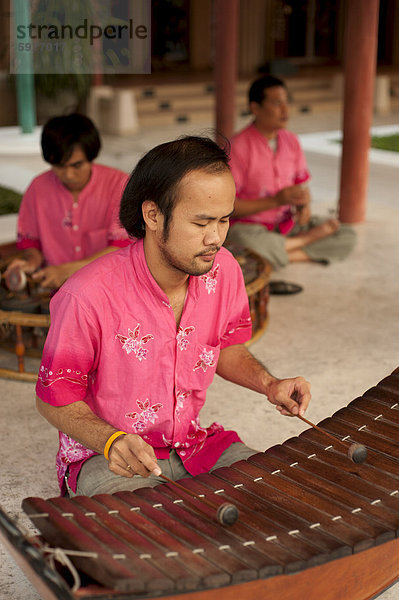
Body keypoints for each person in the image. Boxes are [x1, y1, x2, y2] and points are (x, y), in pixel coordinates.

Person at [35, 136, 311, 498]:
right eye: (201, 224)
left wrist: (269, 384)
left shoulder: (223, 270)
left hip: (194, 445)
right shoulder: (86, 295)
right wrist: (110, 440)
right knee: (147, 535)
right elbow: (52, 395)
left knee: (272, 496)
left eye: (224, 220)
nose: (215, 237)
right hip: (112, 455)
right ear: (153, 215)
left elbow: (224, 347)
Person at [226, 75, 356, 270]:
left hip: (288, 224)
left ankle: (279, 256)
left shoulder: (291, 141)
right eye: (277, 103)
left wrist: (305, 208)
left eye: (287, 102)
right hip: (250, 228)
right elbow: (228, 206)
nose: (286, 110)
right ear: (255, 108)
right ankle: (305, 242)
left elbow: (301, 187)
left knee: (346, 234)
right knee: (244, 243)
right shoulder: (237, 147)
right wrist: (275, 201)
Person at [5, 114, 130, 289]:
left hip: (108, 287)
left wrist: (68, 271)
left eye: (77, 165)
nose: (69, 175)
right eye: (60, 166)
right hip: (54, 289)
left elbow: (123, 249)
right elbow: (32, 244)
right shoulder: (38, 188)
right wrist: (31, 261)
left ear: (92, 156)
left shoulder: (119, 184)